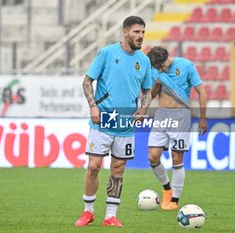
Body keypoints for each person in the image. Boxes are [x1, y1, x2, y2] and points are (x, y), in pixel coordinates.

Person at [75, 16, 152, 227]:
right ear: (125, 32)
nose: (140, 36)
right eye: (136, 32)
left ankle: (110, 215)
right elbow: (87, 81)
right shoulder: (107, 53)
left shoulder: (144, 61)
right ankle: (88, 211)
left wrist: (143, 108)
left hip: (126, 125)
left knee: (118, 169)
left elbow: (148, 91)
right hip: (102, 121)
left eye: (143, 32)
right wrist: (93, 105)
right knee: (94, 166)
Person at [147, 46, 208, 210]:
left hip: (180, 116)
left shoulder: (187, 66)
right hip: (161, 115)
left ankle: (174, 200)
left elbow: (201, 91)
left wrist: (203, 118)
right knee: (153, 157)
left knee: (177, 159)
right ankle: (167, 187)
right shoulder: (156, 70)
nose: (160, 70)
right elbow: (151, 95)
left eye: (161, 66)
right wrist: (156, 85)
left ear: (167, 58)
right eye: (157, 68)